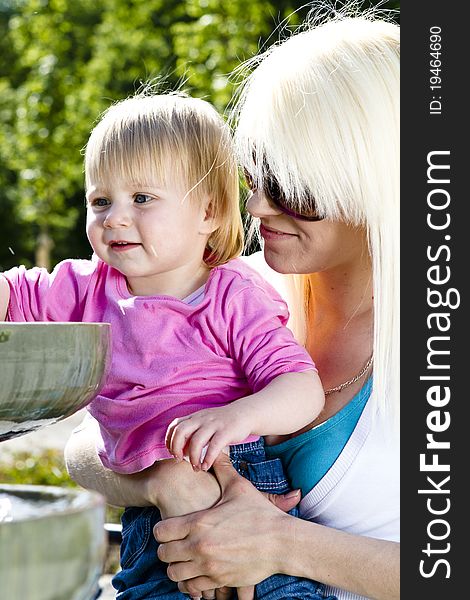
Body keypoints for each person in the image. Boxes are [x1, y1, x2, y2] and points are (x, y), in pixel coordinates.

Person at [65, 9, 400, 600]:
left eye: (296, 186)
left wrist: (279, 544)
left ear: (375, 181)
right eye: (254, 174)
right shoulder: (229, 288)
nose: (259, 208)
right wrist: (163, 477)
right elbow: (81, 449)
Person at [0, 93, 327, 599]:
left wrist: (238, 416)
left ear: (209, 211)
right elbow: (11, 294)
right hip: (146, 517)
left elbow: (301, 387)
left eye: (143, 199)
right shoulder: (87, 287)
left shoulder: (230, 295)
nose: (114, 218)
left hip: (237, 488)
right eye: (100, 200)